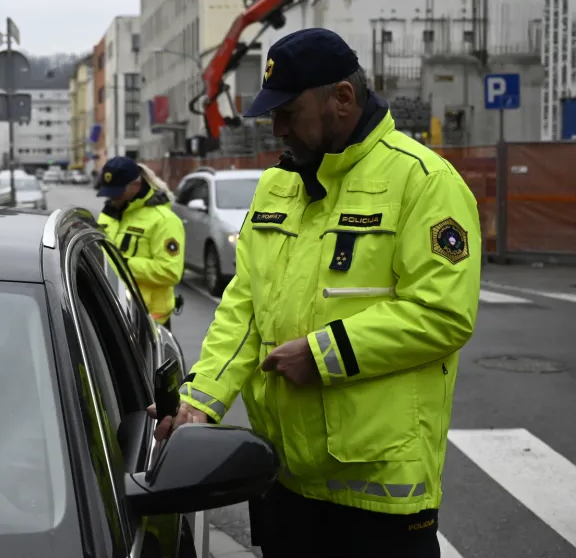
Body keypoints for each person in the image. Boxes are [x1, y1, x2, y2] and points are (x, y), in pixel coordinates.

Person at [150, 28, 481, 558]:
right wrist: (200, 402)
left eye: (288, 112)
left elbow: (442, 313)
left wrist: (324, 355)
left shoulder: (423, 182)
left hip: (379, 498)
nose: (275, 127)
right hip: (284, 482)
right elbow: (245, 304)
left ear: (342, 100)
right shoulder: (277, 185)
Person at [95, 156, 185, 330]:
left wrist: (120, 264)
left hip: (149, 320)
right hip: (113, 312)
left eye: (118, 192)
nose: (113, 197)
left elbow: (170, 271)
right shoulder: (109, 213)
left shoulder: (164, 220)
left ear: (136, 185)